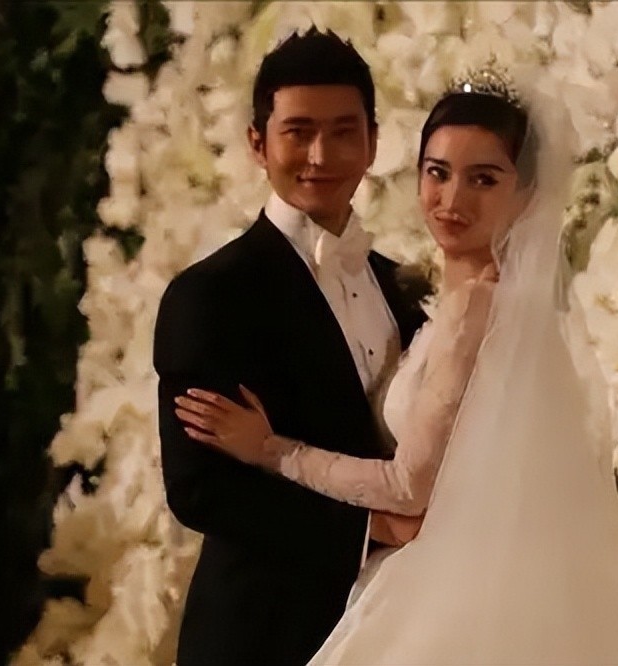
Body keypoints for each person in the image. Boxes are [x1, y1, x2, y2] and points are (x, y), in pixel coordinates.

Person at [176, 64, 618, 664]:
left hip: (440, 594)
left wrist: (271, 449)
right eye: (438, 173)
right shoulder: (439, 300)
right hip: (399, 589)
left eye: (483, 179)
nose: (452, 199)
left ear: (527, 194)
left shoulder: (480, 313)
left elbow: (408, 488)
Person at [152, 27, 429, 665]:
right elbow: (201, 489)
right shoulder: (210, 294)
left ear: (373, 143)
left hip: (395, 626)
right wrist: (368, 530)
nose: (320, 155)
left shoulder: (404, 288)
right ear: (258, 142)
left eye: (343, 132)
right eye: (298, 132)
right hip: (263, 633)